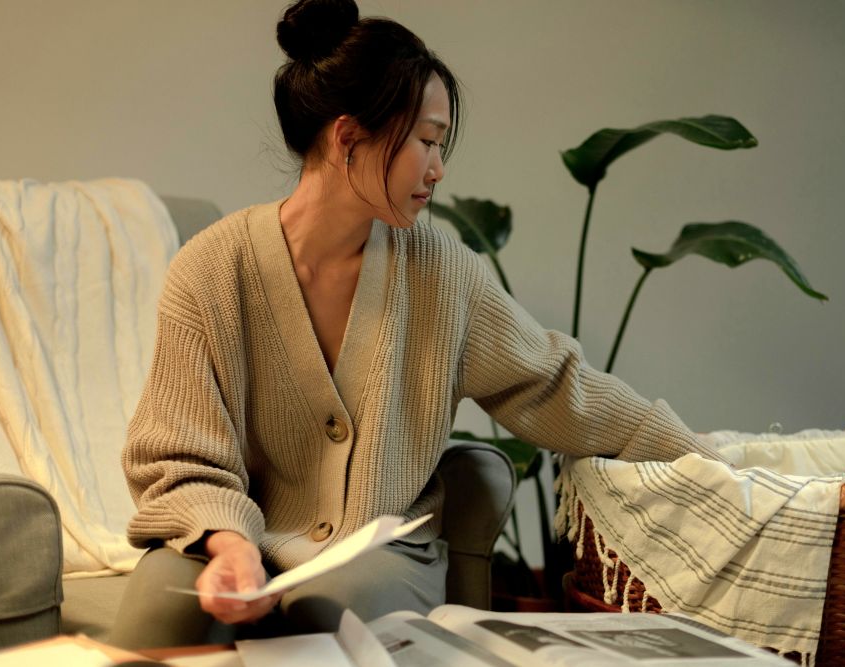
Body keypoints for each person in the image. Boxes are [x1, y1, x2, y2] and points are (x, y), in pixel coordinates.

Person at [110, 0, 727, 649]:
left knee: (346, 611)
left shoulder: (442, 274)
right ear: (349, 138)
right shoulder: (210, 270)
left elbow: (554, 385)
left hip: (378, 552)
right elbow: (180, 453)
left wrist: (699, 454)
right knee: (161, 608)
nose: (439, 167)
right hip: (231, 534)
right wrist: (230, 543)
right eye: (428, 141)